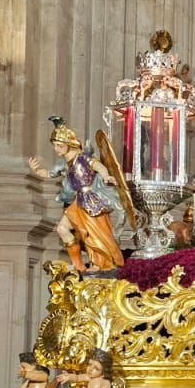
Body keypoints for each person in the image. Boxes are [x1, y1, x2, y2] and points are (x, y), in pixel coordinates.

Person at [28, 116, 127, 272]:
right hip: (78, 201)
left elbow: (98, 166)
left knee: (92, 234)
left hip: (90, 201)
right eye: (54, 145)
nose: (56, 149)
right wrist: (36, 170)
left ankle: (100, 263)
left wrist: (106, 176)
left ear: (69, 144)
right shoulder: (65, 164)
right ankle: (78, 266)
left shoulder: (82, 158)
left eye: (59, 145)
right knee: (62, 229)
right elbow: (49, 174)